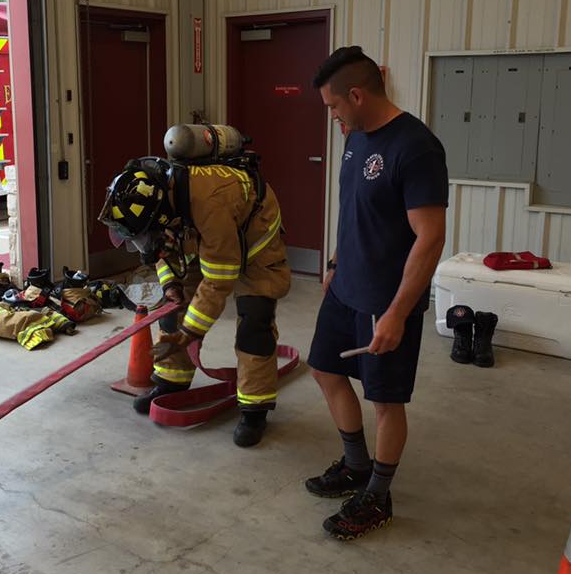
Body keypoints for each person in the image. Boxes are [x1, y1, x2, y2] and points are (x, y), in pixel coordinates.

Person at [306, 46, 448, 539]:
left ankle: (378, 496)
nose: (333, 117)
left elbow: (430, 238)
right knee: (325, 370)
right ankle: (356, 465)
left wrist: (396, 314)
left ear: (357, 94)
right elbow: (355, 212)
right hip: (345, 289)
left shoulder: (416, 147)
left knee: (386, 402)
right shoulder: (356, 138)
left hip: (386, 301)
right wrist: (335, 263)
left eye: (334, 106)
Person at [99, 151, 291, 446]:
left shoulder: (211, 203)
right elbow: (163, 247)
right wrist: (171, 284)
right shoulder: (163, 195)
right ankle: (171, 382)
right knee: (172, 307)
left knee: (255, 321)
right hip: (206, 233)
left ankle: (255, 407)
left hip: (255, 240)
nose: (140, 245)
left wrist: (190, 332)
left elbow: (219, 280)